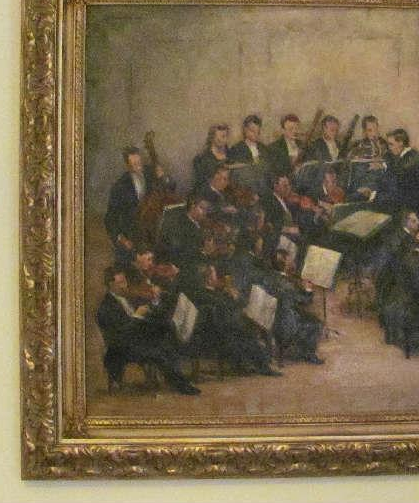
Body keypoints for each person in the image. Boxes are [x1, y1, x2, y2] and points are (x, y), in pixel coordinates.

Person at [96, 266, 200, 395]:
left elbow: (143, 319)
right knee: (160, 350)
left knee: (166, 341)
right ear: (111, 284)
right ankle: (181, 385)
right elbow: (119, 335)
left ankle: (181, 383)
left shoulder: (126, 298)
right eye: (121, 283)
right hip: (121, 349)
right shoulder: (106, 306)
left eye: (125, 281)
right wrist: (137, 315)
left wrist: (150, 310)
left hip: (135, 341)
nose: (125, 285)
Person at [186, 264, 281, 377]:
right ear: (209, 279)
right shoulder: (206, 295)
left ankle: (257, 365)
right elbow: (225, 313)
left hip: (224, 329)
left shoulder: (212, 293)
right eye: (215, 275)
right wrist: (234, 299)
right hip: (216, 335)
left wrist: (234, 297)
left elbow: (232, 308)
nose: (217, 278)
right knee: (249, 335)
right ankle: (262, 367)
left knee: (250, 332)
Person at [104, 146, 170, 265]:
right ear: (127, 166)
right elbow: (110, 219)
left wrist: (164, 178)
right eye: (134, 164)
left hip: (155, 228)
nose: (139, 167)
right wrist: (122, 239)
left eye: (140, 162)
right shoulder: (119, 186)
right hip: (133, 233)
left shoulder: (151, 172)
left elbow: (171, 187)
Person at [268, 250, 324, 365]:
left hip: (273, 319)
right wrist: (308, 289)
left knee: (307, 316)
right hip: (286, 324)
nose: (293, 262)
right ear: (284, 264)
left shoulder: (272, 277)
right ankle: (309, 354)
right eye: (290, 260)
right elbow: (305, 301)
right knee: (316, 323)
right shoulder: (286, 284)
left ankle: (301, 350)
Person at [385, 128, 419, 214]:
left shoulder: (413, 158)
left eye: (391, 144)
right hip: (403, 200)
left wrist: (384, 167)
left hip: (412, 205)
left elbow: (398, 177)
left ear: (401, 143)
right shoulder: (403, 155)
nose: (389, 148)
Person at [192, 124, 230, 196]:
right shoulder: (201, 159)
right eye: (218, 136)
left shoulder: (233, 156)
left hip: (229, 194)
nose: (221, 139)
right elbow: (200, 184)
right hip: (208, 195)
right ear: (212, 137)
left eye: (224, 136)